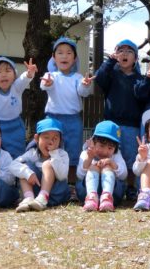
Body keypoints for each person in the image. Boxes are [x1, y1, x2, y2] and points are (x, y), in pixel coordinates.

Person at [41, 37, 93, 200]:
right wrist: (48, 83)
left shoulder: (78, 77)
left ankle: (70, 187)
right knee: (51, 151)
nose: (64, 56)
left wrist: (85, 84)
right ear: (54, 57)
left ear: (74, 58)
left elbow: (83, 92)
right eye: (60, 53)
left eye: (69, 53)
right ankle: (49, 184)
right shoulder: (50, 75)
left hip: (73, 120)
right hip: (53, 120)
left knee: (72, 153)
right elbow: (44, 85)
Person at [92, 39, 145, 200]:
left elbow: (144, 95)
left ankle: (130, 186)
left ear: (135, 59)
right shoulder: (111, 75)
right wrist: (109, 61)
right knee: (110, 154)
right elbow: (100, 78)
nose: (124, 54)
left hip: (132, 124)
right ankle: (110, 185)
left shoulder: (139, 78)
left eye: (129, 52)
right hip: (111, 125)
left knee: (129, 158)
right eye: (121, 51)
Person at [10, 117, 69, 212]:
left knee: (47, 164)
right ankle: (28, 198)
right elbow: (13, 165)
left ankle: (43, 197)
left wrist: (54, 154)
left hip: (55, 194)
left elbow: (62, 176)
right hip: (35, 195)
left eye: (55, 138)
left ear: (60, 140)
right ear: (37, 138)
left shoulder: (62, 155)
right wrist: (27, 173)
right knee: (24, 167)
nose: (51, 142)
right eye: (46, 137)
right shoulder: (32, 153)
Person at [77, 120, 127, 212]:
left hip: (113, 192)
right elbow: (80, 175)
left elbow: (124, 175)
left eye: (110, 148)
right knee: (92, 168)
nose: (105, 151)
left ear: (115, 148)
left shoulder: (116, 155)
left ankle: (107, 197)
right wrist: (89, 159)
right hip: (87, 191)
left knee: (108, 168)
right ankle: (91, 198)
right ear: (93, 142)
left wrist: (111, 163)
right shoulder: (86, 153)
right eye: (101, 146)